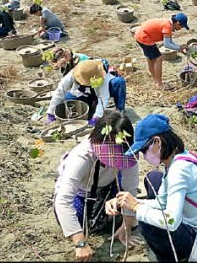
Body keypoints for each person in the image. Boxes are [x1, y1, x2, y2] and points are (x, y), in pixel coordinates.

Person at [105, 114, 197, 261]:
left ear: (157, 142)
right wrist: (127, 203)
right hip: (196, 225)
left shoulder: (180, 170)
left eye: (144, 151)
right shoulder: (177, 160)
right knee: (153, 179)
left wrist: (136, 208)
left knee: (147, 221)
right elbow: (162, 203)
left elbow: (171, 221)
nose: (144, 157)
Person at [53, 109, 140, 262]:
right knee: (81, 224)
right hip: (83, 191)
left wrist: (127, 225)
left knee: (116, 215)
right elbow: (63, 200)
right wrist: (80, 242)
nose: (114, 159)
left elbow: (130, 190)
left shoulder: (128, 154)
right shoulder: (81, 157)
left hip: (108, 187)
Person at [45, 59, 127, 125]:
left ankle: (120, 111)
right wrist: (50, 112)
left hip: (100, 93)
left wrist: (97, 117)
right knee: (66, 103)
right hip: (82, 93)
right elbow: (60, 90)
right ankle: (91, 105)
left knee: (119, 82)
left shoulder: (102, 76)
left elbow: (103, 97)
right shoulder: (76, 72)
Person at [134, 13, 190, 90]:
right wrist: (179, 47)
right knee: (159, 58)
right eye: (182, 26)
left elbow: (170, 41)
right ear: (177, 23)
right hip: (144, 37)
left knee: (151, 58)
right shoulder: (168, 26)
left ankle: (156, 80)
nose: (181, 28)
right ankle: (159, 84)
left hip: (139, 35)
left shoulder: (168, 24)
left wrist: (179, 49)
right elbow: (166, 44)